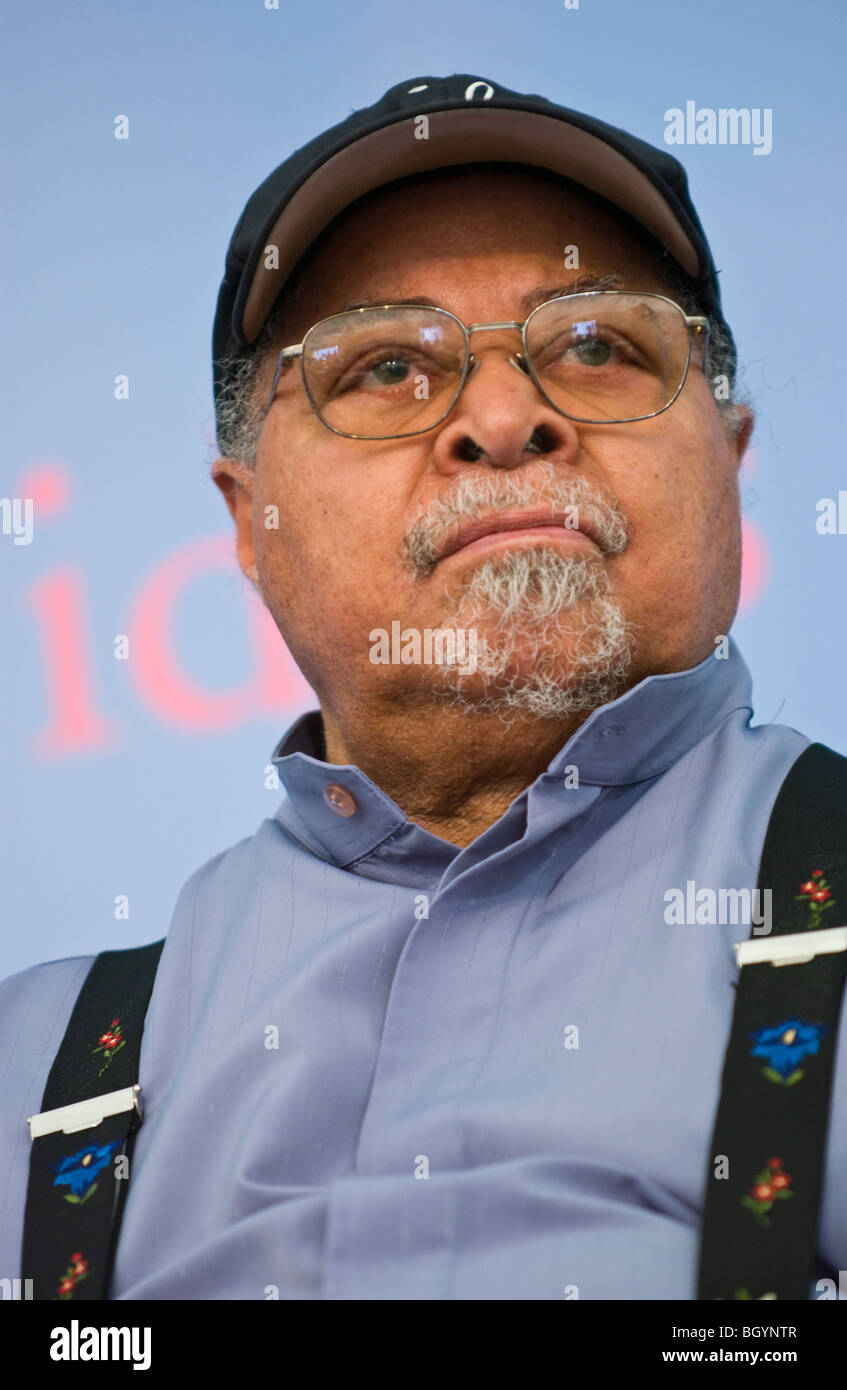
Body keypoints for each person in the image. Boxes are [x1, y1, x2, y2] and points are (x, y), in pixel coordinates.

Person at [2, 74, 845, 1301]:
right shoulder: (33, 1068)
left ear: (728, 456)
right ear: (250, 524)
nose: (504, 417)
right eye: (387, 366)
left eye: (599, 345)